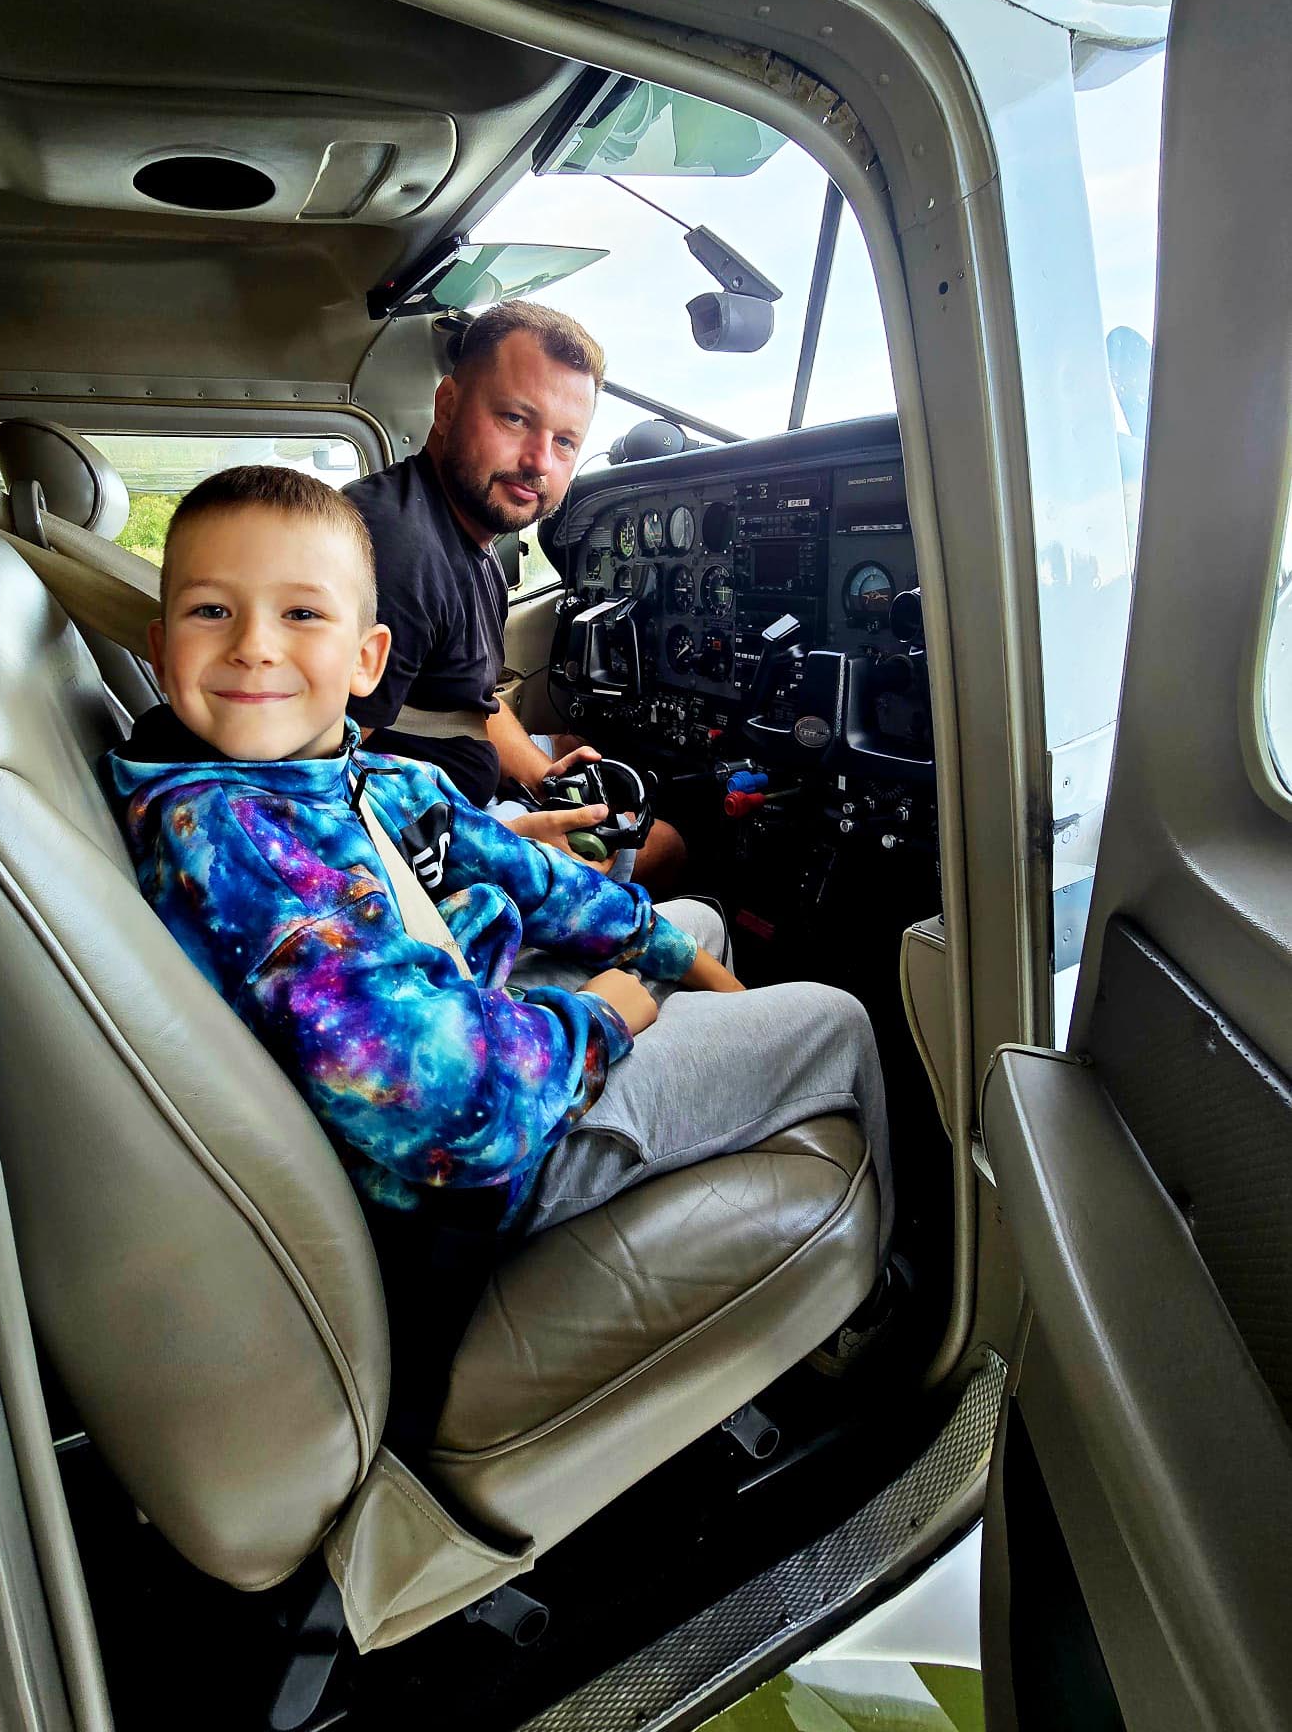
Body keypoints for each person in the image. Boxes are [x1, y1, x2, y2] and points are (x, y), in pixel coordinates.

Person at [105, 464, 894, 1434]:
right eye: (212, 611)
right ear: (160, 647)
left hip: (475, 1033)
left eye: (300, 613)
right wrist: (604, 1017)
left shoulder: (349, 772)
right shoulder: (240, 846)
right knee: (837, 1020)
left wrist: (669, 957)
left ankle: (735, 1130)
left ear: (368, 658)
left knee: (691, 923)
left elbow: (527, 875)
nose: (255, 645)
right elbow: (461, 1107)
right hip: (455, 1180)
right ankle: (872, 1313)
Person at [343, 299, 687, 891]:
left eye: (565, 442)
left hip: (452, 807)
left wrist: (546, 778)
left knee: (577, 747)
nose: (538, 462)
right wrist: (512, 843)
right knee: (666, 845)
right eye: (514, 419)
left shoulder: (463, 539)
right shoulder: (398, 553)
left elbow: (465, 704)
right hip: (428, 853)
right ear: (447, 407)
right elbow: (309, 793)